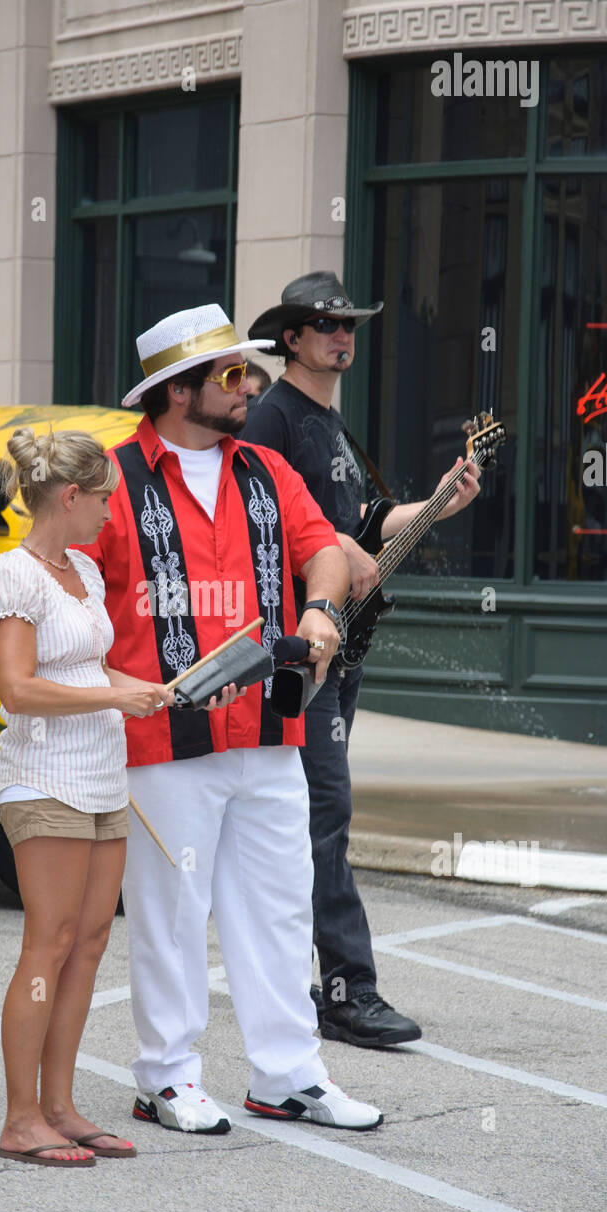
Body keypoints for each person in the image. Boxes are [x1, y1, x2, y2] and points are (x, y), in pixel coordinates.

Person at [75, 302, 384, 1133]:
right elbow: (70, 590)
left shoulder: (264, 470)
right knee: (171, 913)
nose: (248, 384)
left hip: (268, 726)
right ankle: (165, 1077)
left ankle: (287, 1074)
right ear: (177, 391)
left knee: (280, 906)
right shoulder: (110, 479)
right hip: (159, 738)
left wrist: (319, 611)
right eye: (231, 374)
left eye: (246, 371)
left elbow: (321, 546)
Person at [245, 271, 481, 1046]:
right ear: (291, 338)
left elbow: (371, 521)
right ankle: (347, 989)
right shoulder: (272, 419)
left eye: (349, 326)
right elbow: (269, 525)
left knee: (308, 819)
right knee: (323, 816)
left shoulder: (332, 427)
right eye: (326, 326)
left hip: (341, 651)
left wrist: (441, 500)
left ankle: (293, 977)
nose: (342, 337)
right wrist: (339, 551)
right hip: (302, 651)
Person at [0, 426, 175, 1167]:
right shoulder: (13, 576)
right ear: (68, 496)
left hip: (101, 777)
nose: (108, 515)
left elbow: (95, 673)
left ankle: (57, 1106)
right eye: (101, 500)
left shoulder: (84, 575)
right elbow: (19, 690)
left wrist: (141, 691)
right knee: (49, 943)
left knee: (89, 945)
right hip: (42, 779)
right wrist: (114, 697)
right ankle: (19, 1118)